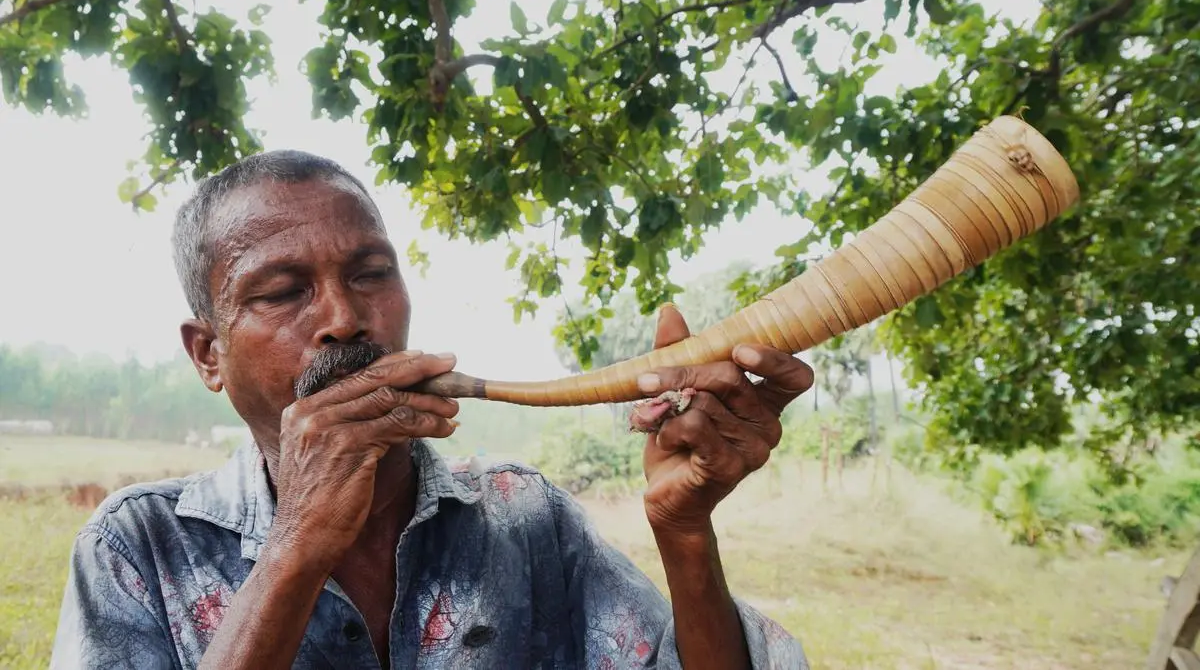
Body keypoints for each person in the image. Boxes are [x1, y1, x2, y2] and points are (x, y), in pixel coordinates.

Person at [49, 150, 815, 669]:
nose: (345, 318)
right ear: (207, 353)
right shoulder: (137, 544)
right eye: (282, 291)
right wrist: (297, 547)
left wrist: (683, 533)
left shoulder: (524, 516)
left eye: (371, 272)